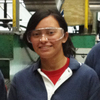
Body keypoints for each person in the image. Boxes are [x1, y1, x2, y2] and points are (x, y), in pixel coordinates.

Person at [8, 8, 100, 100]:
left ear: (64, 37)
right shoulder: (20, 81)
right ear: (30, 39)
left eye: (51, 33)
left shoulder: (87, 77)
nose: (43, 39)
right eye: (36, 34)